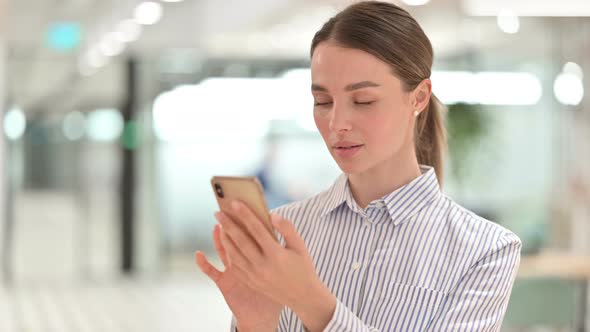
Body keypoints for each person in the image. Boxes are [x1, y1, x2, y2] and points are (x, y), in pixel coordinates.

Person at [196, 1, 522, 331]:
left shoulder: (485, 251)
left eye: (363, 101)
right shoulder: (286, 232)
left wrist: (312, 302)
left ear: (419, 98)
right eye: (323, 102)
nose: (337, 123)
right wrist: (256, 322)